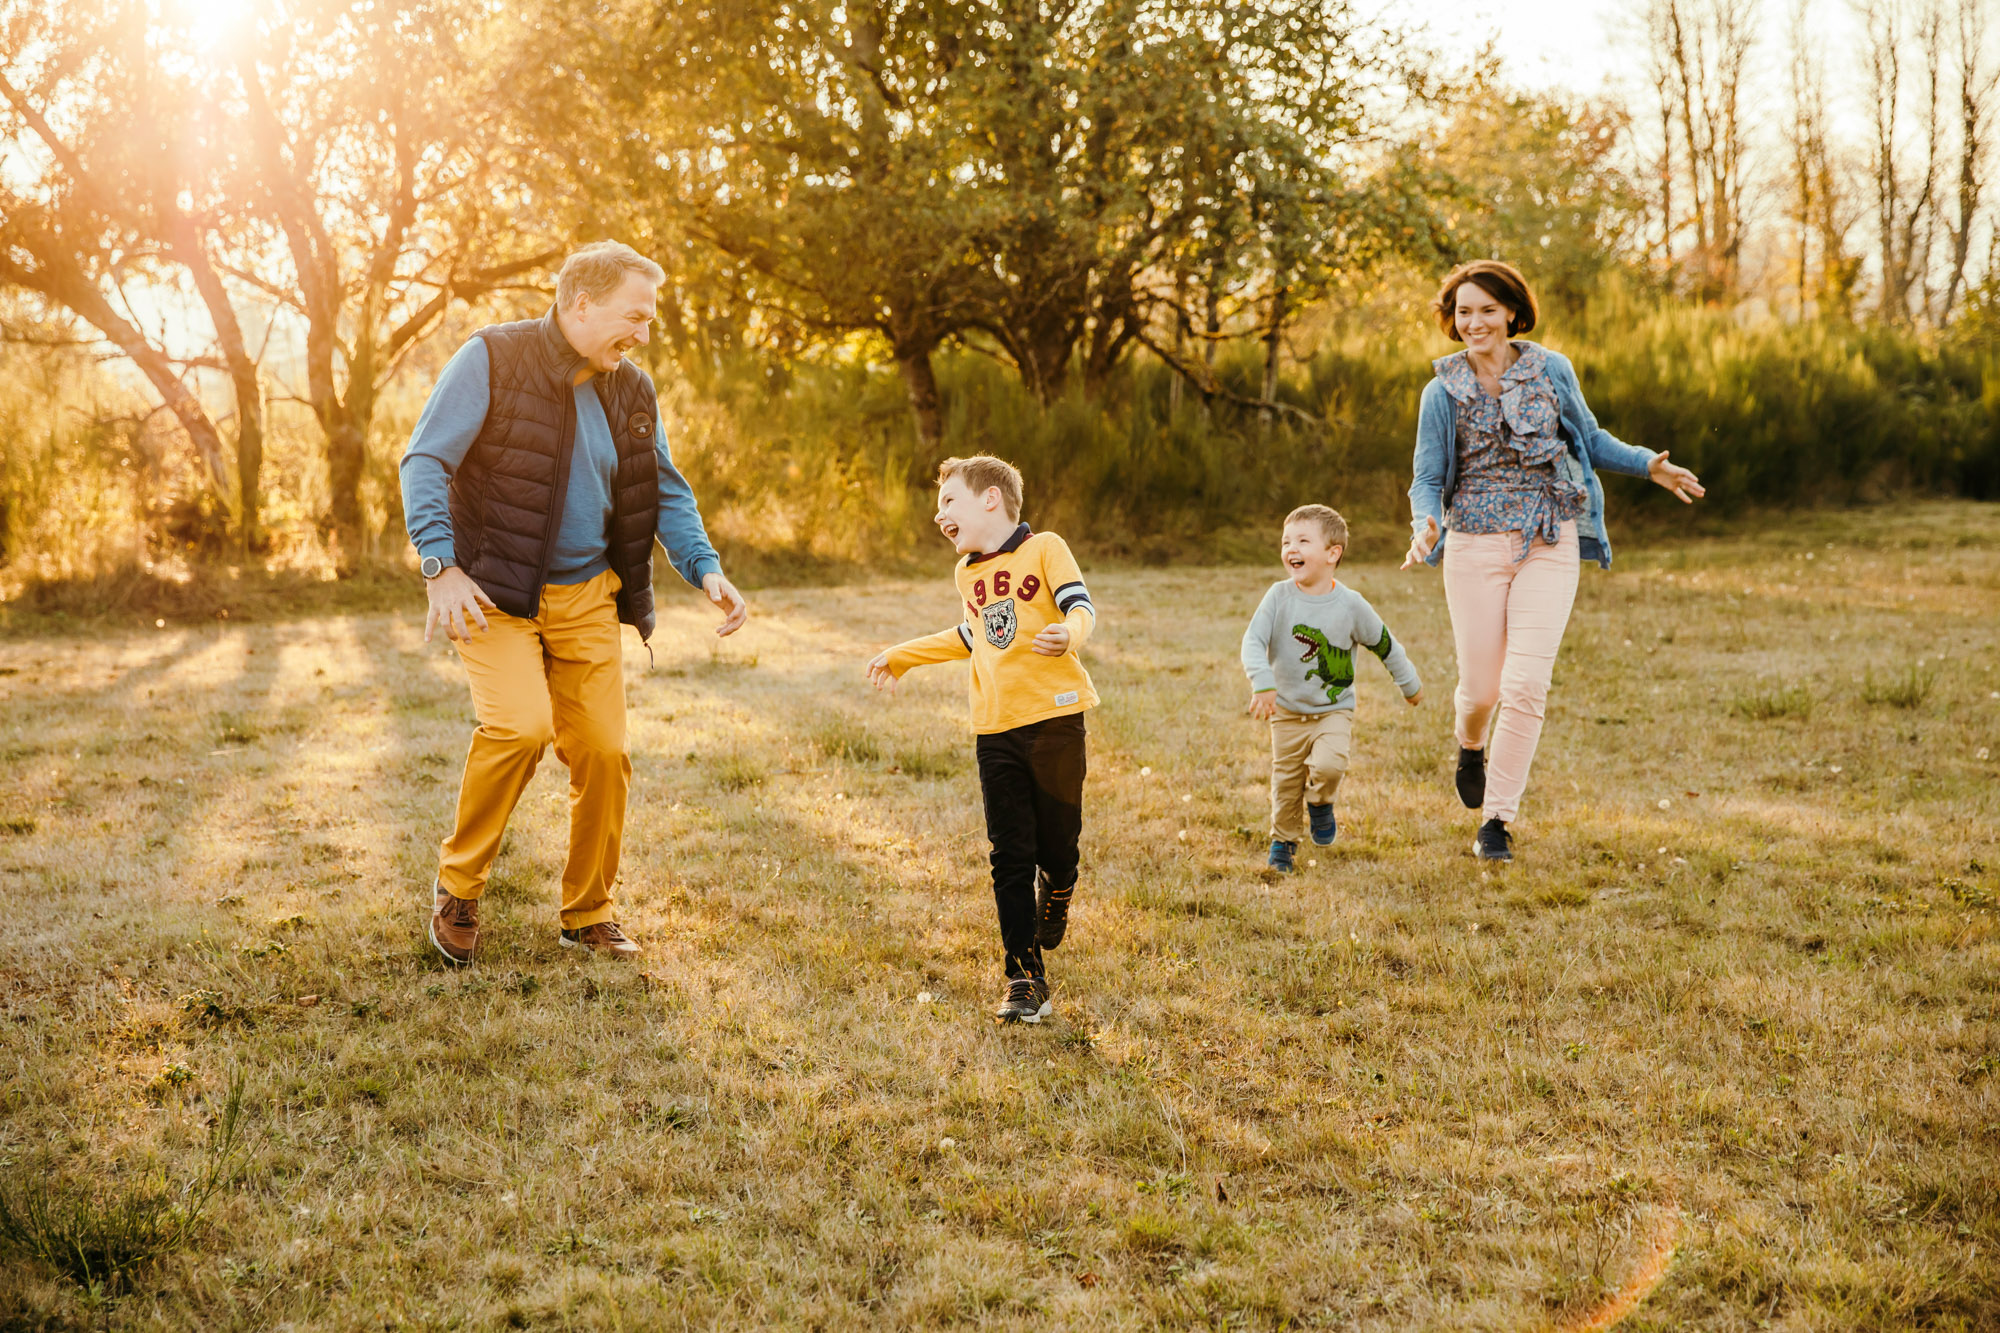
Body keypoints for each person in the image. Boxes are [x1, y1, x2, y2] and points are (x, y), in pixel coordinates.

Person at [401, 240, 749, 964]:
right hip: (494, 591)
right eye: (635, 316)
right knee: (520, 729)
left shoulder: (630, 387)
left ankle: (588, 908)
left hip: (588, 594)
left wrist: (705, 568)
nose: (645, 334)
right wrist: (440, 565)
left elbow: (665, 488)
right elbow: (426, 458)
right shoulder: (493, 357)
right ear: (579, 304)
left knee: (605, 750)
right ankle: (458, 887)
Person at [1403, 260, 1703, 863]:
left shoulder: (1551, 369)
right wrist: (1425, 523)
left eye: (1488, 309)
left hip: (1549, 536)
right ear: (1451, 318)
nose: (1475, 322)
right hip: (1474, 547)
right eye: (1464, 311)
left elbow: (1590, 441)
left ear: (1512, 311)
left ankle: (1496, 823)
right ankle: (1469, 743)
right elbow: (1427, 478)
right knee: (1482, 689)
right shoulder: (1442, 391)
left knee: (1526, 684)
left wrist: (1648, 464)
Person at [866, 456, 1097, 1025]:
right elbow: (972, 635)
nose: (939, 512)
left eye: (949, 501)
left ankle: (1061, 884)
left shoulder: (1045, 547)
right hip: (995, 727)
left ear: (990, 499)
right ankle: (1024, 977)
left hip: (1057, 719)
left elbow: (1080, 606)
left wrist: (1069, 633)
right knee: (1009, 855)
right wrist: (903, 655)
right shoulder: (967, 571)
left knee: (1058, 846)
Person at [1242, 505, 1423, 873]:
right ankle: (1283, 841)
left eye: (1303, 540)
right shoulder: (1277, 597)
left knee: (1329, 765)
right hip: (1288, 713)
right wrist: (1262, 682)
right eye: (1286, 541)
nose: (1291, 548)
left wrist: (1409, 684)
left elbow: (1384, 643)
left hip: (1333, 708)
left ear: (1332, 553)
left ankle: (1321, 802)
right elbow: (1252, 641)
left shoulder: (1351, 605)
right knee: (1286, 780)